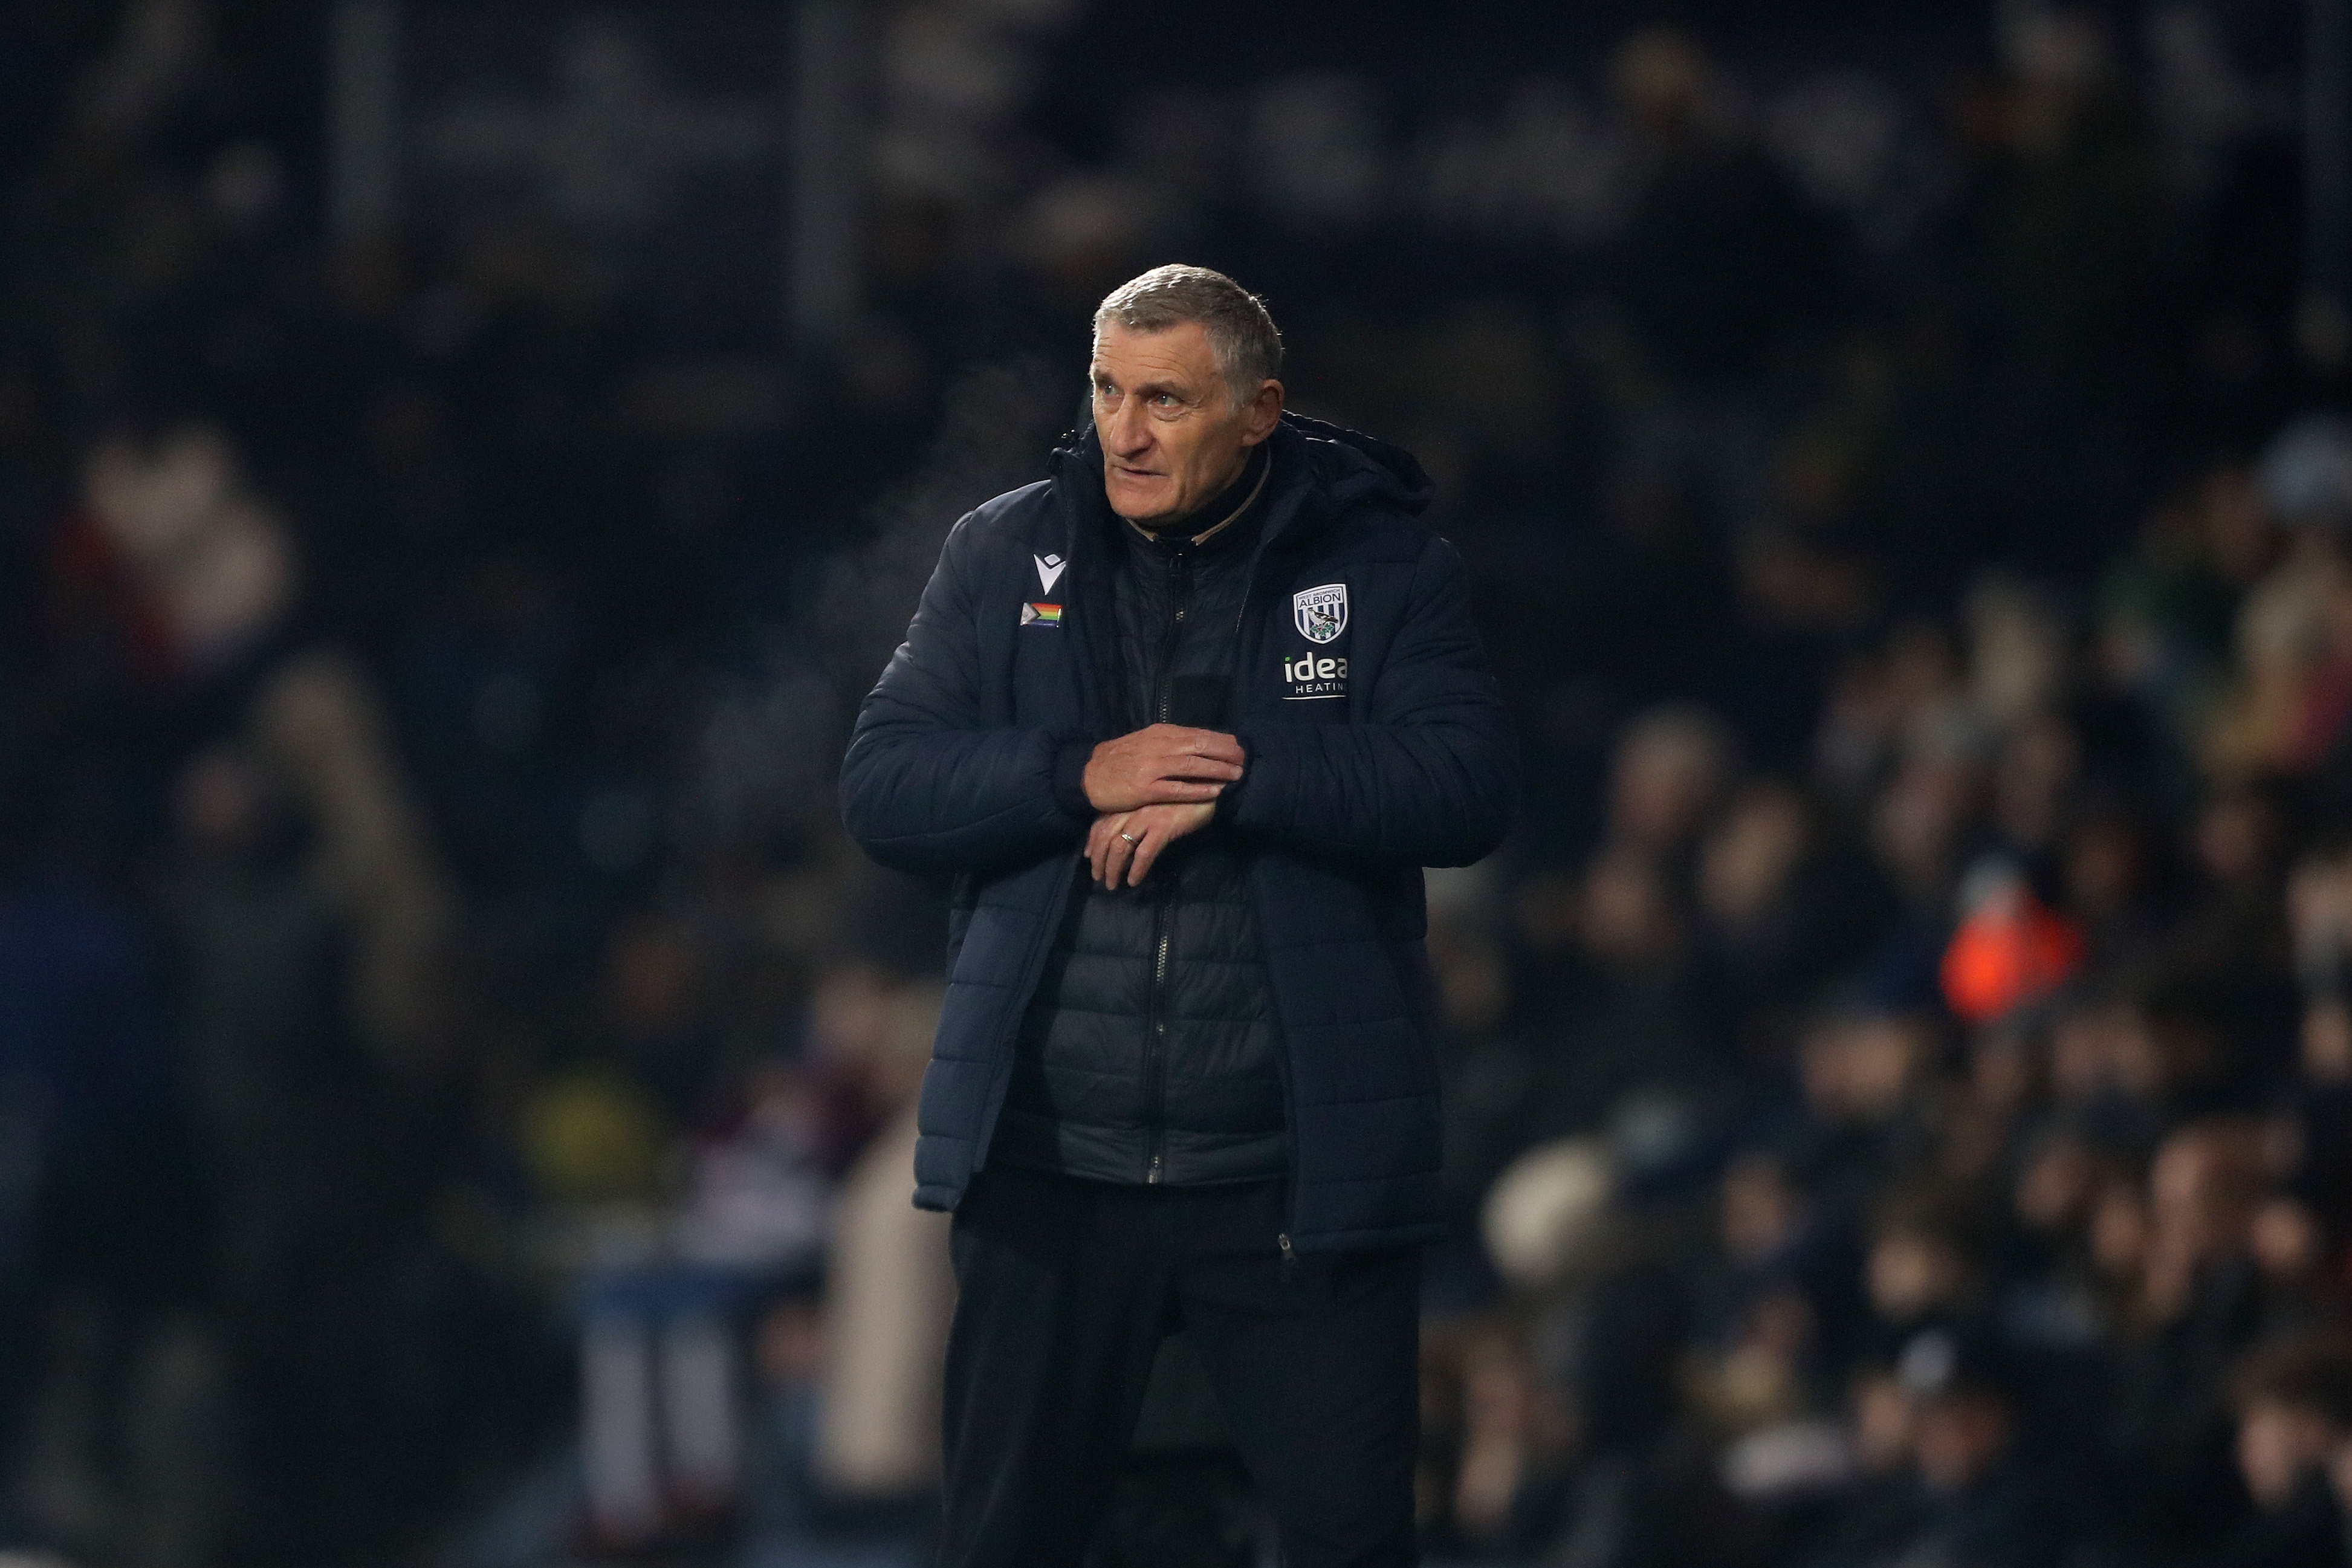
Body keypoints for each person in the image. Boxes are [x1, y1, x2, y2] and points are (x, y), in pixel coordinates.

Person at [840, 264, 1517, 1566]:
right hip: (1050, 1166)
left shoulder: (1380, 567)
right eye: (1105, 391)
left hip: (1285, 1171)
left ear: (1259, 410)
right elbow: (882, 784)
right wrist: (1075, 772)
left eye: (1164, 399)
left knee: (1346, 1542)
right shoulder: (1002, 550)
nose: (1124, 432)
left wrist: (1235, 773)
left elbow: (1463, 785)